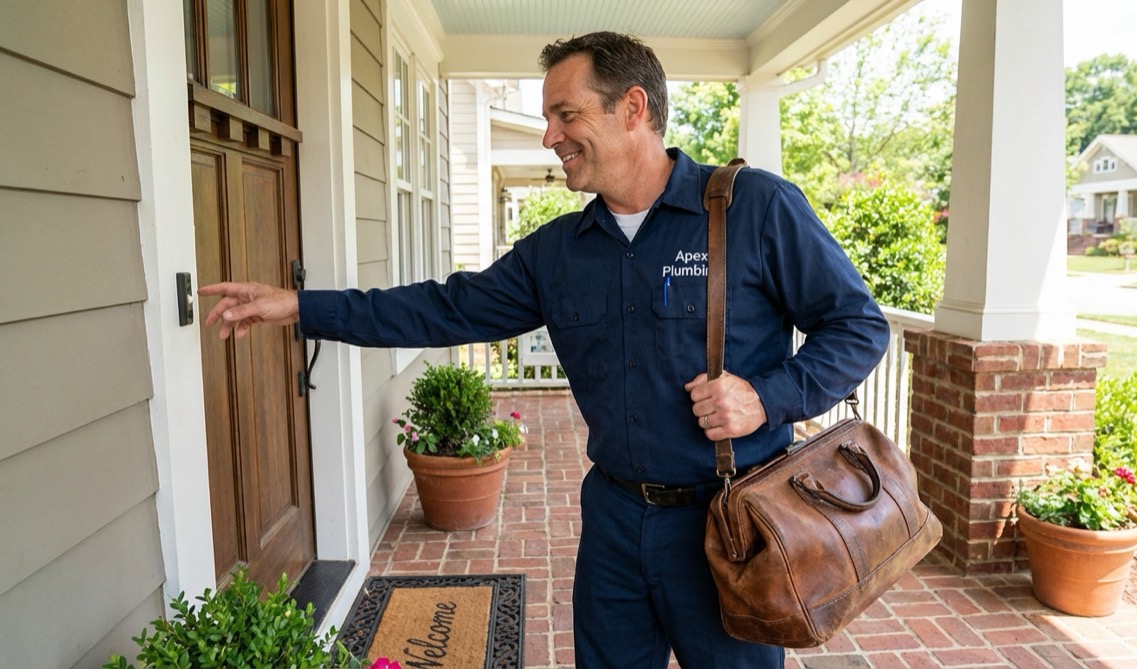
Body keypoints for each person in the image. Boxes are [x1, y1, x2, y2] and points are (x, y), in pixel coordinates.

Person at [200, 32, 889, 669]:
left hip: (731, 521)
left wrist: (766, 395)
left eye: (565, 114)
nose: (549, 135)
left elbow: (859, 325)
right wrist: (302, 306)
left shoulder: (753, 208)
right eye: (548, 118)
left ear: (632, 109)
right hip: (615, 522)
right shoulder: (559, 253)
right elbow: (444, 307)